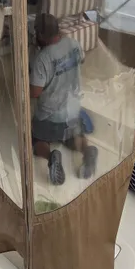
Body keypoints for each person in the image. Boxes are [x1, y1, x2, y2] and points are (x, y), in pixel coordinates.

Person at [30, 13, 98, 185]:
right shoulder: (74, 43)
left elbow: (35, 92)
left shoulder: (42, 58)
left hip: (50, 115)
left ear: (41, 35)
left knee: (36, 139)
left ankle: (50, 156)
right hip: (73, 109)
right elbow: (80, 61)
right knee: (73, 136)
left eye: (36, 33)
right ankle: (86, 150)